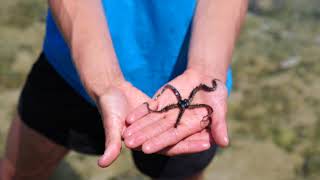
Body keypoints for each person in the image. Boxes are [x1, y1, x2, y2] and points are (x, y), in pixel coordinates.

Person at [0, 0, 248, 179]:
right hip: (71, 67)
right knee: (18, 171)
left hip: (184, 82)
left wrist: (207, 69)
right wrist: (104, 81)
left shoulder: (194, 97)